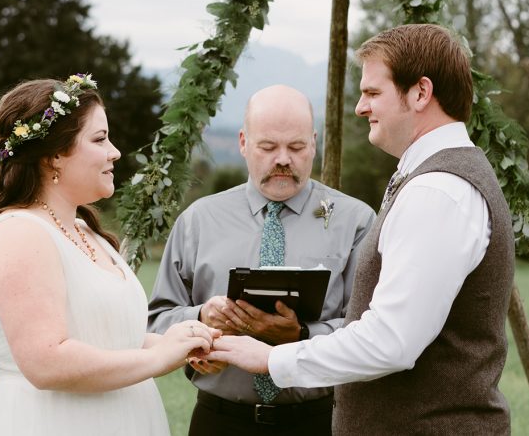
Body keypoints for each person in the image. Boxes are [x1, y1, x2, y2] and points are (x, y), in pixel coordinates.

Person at [209, 25, 516, 435]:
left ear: (420, 93)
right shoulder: (437, 177)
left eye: (373, 93)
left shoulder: (437, 191)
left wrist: (271, 359)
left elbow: (391, 341)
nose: (359, 107)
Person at [0, 74, 219, 435]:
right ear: (55, 157)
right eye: (100, 139)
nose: (115, 152)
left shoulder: (85, 231)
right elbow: (46, 361)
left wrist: (184, 341)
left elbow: (113, 338)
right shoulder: (19, 233)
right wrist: (157, 358)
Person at [148, 84, 375, 436]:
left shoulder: (355, 221)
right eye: (268, 147)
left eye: (296, 147)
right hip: (219, 421)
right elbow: (156, 322)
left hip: (317, 422)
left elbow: (369, 329)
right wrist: (201, 321)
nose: (282, 159)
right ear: (243, 142)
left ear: (314, 143)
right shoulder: (198, 221)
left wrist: (301, 335)